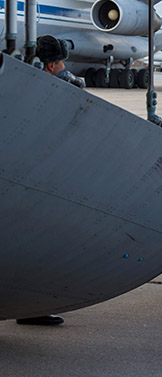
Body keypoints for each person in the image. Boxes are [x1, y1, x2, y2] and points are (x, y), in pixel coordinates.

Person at [14, 35, 75, 328]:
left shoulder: (20, 83)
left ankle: (29, 307)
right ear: (51, 64)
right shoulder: (45, 90)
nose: (65, 67)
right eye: (61, 62)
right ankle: (30, 307)